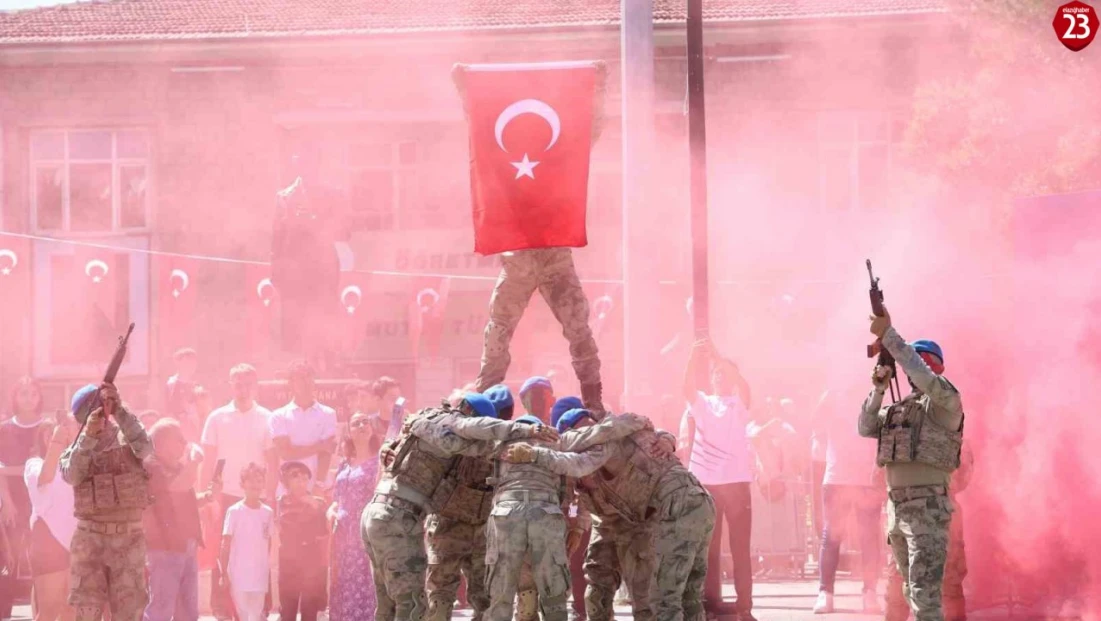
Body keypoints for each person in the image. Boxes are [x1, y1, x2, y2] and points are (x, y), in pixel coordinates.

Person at [363, 393, 555, 621]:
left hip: (383, 513)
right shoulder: (454, 427)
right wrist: (529, 431)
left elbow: (396, 440)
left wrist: (386, 447)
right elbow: (477, 431)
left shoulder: (425, 419)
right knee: (415, 604)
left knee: (389, 605)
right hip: (407, 519)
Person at [859, 307, 965, 621]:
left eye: (923, 361)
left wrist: (890, 337)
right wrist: (878, 388)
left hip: (927, 509)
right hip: (898, 511)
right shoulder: (899, 409)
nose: (914, 369)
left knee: (924, 596)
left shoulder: (946, 401)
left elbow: (922, 374)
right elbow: (865, 426)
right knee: (909, 589)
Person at [60, 382, 154, 621]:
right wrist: (89, 436)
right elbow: (72, 474)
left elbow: (145, 449)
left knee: (128, 613)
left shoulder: (128, 437)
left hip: (128, 540)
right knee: (88, 612)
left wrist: (121, 411)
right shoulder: (77, 447)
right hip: (90, 541)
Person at [473, 248, 604, 412]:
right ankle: (486, 397)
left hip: (554, 258)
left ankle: (592, 399)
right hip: (519, 258)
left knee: (579, 331)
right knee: (497, 330)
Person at [679, 339, 756, 620]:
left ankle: (744, 608)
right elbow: (685, 387)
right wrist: (692, 356)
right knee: (709, 550)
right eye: (716, 373)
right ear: (710, 379)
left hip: (737, 485)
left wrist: (720, 357)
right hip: (707, 486)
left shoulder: (739, 403)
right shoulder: (702, 402)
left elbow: (745, 387)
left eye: (725, 373)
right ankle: (710, 606)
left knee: (740, 549)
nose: (720, 376)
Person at [423, 385, 512, 621]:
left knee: (440, 594)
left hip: (447, 527)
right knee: (484, 598)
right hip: (481, 531)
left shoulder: (450, 441)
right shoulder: (495, 447)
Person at [199, 363, 273, 618]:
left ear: (255, 386)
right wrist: (206, 498)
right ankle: (222, 610)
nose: (242, 389)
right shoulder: (216, 417)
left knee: (258, 553)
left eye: (247, 384)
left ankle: (259, 610)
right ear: (230, 385)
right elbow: (208, 461)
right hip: (225, 496)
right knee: (222, 553)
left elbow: (272, 461)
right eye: (238, 384)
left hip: (257, 497)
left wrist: (271, 496)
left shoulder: (267, 417)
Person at [885, 439, 974, 621]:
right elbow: (964, 476)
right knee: (949, 581)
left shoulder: (896, 431)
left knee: (901, 578)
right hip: (943, 512)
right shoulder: (951, 432)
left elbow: (879, 477)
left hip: (905, 512)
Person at [812, 390, 883, 614]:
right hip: (836, 479)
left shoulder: (874, 400)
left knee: (869, 538)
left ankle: (870, 592)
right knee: (831, 536)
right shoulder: (832, 399)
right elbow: (814, 422)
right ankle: (826, 593)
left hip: (866, 480)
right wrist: (824, 399)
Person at [143, 419, 221, 621]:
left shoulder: (177, 466)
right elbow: (175, 488)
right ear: (163, 441)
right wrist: (194, 462)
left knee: (187, 611)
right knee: (161, 608)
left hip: (186, 544)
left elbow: (184, 499)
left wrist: (208, 496)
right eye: (179, 439)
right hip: (165, 546)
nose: (184, 443)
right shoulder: (151, 465)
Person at [0, 376, 48, 618]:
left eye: (33, 393)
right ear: (15, 397)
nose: (28, 398)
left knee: (41, 559)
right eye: (23, 393)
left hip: (41, 501)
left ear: (39, 397)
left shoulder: (47, 427)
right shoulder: (4, 428)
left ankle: (41, 612)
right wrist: (6, 501)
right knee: (9, 560)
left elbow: (43, 466)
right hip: (12, 503)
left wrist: (8, 469)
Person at [25, 415, 77, 621]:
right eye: (50, 432)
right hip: (48, 541)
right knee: (48, 611)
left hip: (76, 543)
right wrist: (56, 443)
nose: (58, 435)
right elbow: (44, 478)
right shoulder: (33, 464)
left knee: (71, 611)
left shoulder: (76, 463)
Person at [328, 411, 379, 620]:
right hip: (341, 535)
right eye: (356, 423)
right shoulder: (344, 464)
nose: (361, 425)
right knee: (341, 580)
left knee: (364, 581)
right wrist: (330, 510)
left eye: (365, 421)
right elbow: (336, 498)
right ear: (349, 431)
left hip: (364, 532)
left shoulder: (379, 463)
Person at [269, 361, 337, 499]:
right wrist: (320, 446)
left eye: (308, 377)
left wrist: (318, 485)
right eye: (300, 378)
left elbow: (326, 454)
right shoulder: (278, 416)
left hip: (317, 492)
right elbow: (286, 453)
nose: (305, 382)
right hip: (286, 492)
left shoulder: (328, 414)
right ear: (291, 384)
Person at [220, 463, 275, 621]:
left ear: (263, 484)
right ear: (242, 484)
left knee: (256, 615)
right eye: (250, 481)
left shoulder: (267, 513)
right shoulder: (234, 511)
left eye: (258, 481)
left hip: (259, 576)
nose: (255, 485)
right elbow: (225, 543)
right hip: (239, 575)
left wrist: (265, 566)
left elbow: (268, 543)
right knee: (241, 615)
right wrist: (224, 573)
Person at [274, 461, 329, 621]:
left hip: (310, 561)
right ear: (286, 482)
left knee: (309, 609)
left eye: (305, 477)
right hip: (288, 561)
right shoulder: (281, 502)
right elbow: (283, 528)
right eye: (295, 476)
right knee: (288, 610)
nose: (301, 480)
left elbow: (323, 532)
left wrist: (315, 506)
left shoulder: (318, 503)